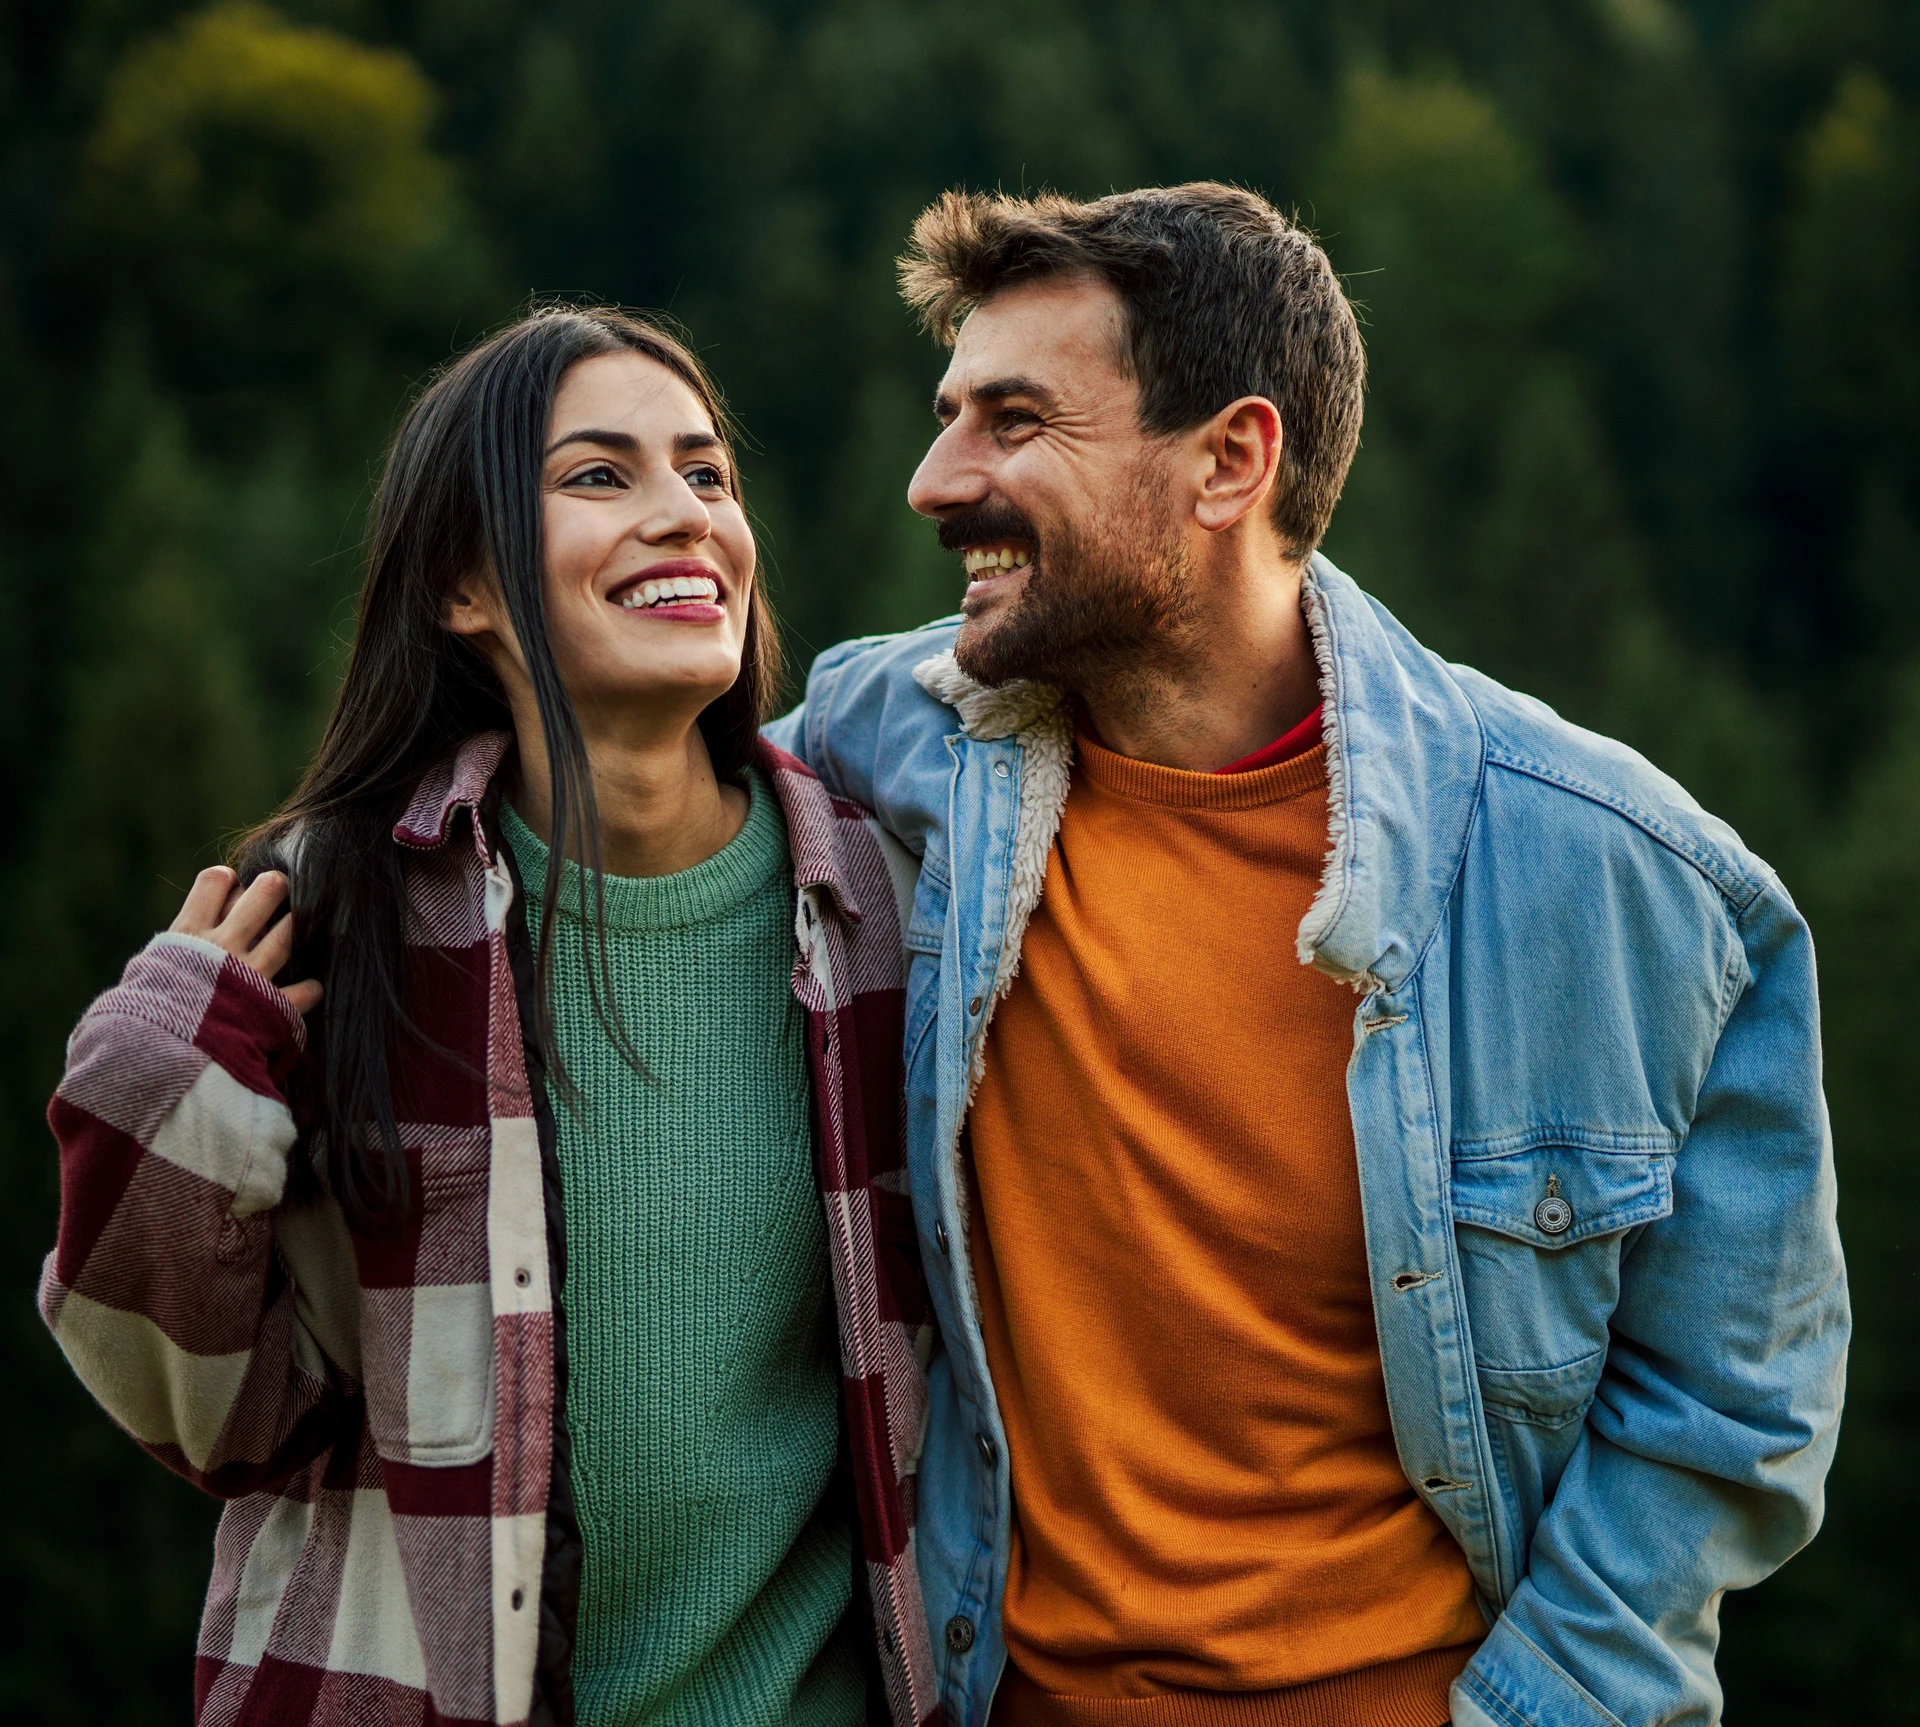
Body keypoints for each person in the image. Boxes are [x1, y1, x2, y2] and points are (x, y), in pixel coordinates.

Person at [768, 185, 1848, 1727]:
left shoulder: (1621, 876)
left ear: (1232, 459)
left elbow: (1736, 1405)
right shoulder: (892, 750)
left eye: (1015, 420)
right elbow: (604, 836)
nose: (937, 480)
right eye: (952, 416)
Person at [38, 307, 939, 1727]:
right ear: (465, 586)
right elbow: (215, 1419)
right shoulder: (339, 915)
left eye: (708, 476)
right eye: (600, 477)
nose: (682, 517)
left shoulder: (887, 913)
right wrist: (160, 1067)